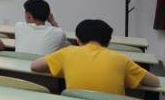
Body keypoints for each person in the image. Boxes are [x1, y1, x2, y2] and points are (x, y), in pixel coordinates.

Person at [31, 19, 160, 95]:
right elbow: (155, 82)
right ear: (108, 42)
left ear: (77, 40)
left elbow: (35, 66)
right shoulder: (121, 59)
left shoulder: (67, 52)